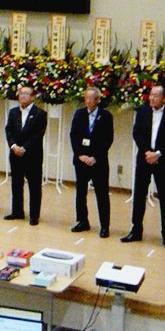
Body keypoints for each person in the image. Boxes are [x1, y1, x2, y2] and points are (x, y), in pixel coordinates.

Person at [123, 84, 165, 250]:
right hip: (144, 158)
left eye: (156, 95)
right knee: (139, 195)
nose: (152, 98)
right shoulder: (142, 110)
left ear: (164, 98)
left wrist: (158, 153)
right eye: (151, 94)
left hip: (164, 160)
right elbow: (137, 133)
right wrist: (147, 152)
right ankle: (136, 230)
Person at [69, 86, 113, 237]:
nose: (88, 101)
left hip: (98, 161)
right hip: (81, 160)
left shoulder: (106, 116)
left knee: (102, 194)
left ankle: (105, 226)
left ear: (98, 99)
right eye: (86, 98)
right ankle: (82, 221)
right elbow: (73, 136)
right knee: (80, 193)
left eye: (91, 98)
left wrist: (95, 157)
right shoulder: (79, 114)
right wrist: (80, 155)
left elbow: (108, 139)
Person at [5, 84, 47, 225]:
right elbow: (8, 131)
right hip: (15, 153)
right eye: (21, 93)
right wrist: (13, 146)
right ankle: (17, 212)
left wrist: (24, 148)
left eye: (26, 93)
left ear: (33, 97)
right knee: (16, 184)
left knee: (34, 186)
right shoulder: (13, 112)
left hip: (32, 155)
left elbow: (38, 135)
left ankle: (34, 215)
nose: (22, 96)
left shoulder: (40, 114)